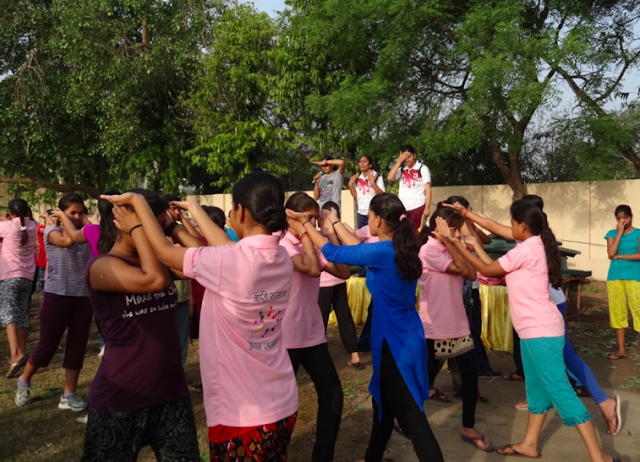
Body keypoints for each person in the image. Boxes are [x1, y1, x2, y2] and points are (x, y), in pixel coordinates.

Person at [103, 172, 300, 462]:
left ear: (241, 211)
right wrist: (180, 218)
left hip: (242, 415)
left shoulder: (231, 262)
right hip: (282, 403)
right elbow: (221, 249)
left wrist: (137, 209)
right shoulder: (280, 256)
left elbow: (166, 253)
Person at [456, 200, 620, 461]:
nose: (508, 228)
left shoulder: (528, 249)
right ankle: (530, 444)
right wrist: (471, 232)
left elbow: (486, 269)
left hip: (541, 332)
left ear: (522, 226)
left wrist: (456, 244)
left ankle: (598, 457)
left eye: (512, 224)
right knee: (537, 391)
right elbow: (495, 267)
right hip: (532, 332)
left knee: (562, 394)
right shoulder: (532, 243)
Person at [288, 192, 444, 462]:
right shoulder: (394, 246)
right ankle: (372, 457)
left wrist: (304, 227)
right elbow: (356, 248)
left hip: (397, 345)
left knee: (413, 421)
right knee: (381, 402)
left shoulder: (383, 251)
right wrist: (335, 224)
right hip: (399, 337)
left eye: (369, 216)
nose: (366, 220)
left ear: (380, 221)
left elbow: (337, 252)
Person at [81, 192, 199, 461]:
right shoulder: (102, 266)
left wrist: (171, 226)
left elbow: (204, 259)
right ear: (123, 223)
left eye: (158, 224)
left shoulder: (158, 262)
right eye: (151, 225)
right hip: (121, 398)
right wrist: (138, 227)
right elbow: (154, 281)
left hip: (171, 394)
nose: (159, 235)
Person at [417, 206, 493, 451]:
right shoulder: (429, 249)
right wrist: (453, 243)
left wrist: (453, 243)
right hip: (435, 328)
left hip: (458, 327)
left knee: (470, 378)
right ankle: (402, 417)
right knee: (422, 380)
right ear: (439, 227)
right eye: (454, 229)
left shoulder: (449, 247)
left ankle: (467, 427)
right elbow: (462, 269)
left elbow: (471, 272)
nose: (459, 234)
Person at [282, 192, 350, 462]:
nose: (312, 224)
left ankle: (322, 456)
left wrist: (330, 236)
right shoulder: (283, 245)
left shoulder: (309, 242)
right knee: (282, 405)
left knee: (333, 396)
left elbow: (343, 273)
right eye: (307, 219)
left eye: (314, 219)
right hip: (284, 338)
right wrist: (307, 235)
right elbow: (311, 269)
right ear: (291, 219)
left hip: (311, 335)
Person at [16, 194, 92, 411]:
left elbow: (89, 235)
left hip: (83, 298)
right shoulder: (52, 232)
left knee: (77, 348)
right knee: (46, 347)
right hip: (57, 296)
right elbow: (69, 240)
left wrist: (83, 222)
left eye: (81, 212)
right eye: (72, 213)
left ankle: (68, 394)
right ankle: (24, 380)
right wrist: (58, 220)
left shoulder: (86, 233)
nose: (78, 217)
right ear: (61, 214)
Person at [444, 196, 498, 377]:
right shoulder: (454, 230)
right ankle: (478, 367)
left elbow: (484, 241)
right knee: (470, 329)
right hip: (464, 287)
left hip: (470, 285)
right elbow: (471, 241)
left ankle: (469, 366)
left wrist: (469, 219)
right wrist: (464, 219)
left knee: (471, 328)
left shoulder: (465, 225)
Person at [318, 201, 362, 369]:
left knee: (320, 319)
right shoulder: (341, 233)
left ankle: (319, 355)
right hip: (340, 281)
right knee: (344, 316)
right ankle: (354, 354)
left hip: (324, 282)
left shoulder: (317, 234)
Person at [1, 199, 37, 379]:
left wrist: (3, 220)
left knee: (8, 314)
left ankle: (16, 354)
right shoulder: (33, 225)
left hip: (10, 275)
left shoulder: (7, 226)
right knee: (21, 314)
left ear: (10, 212)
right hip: (27, 277)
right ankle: (21, 354)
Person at [605, 204, 640, 361]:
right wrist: (619, 233)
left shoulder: (638, 233)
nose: (622, 220)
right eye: (619, 218)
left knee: (638, 308)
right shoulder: (611, 234)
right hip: (615, 278)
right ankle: (621, 350)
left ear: (631, 217)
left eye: (625, 217)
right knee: (617, 312)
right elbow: (611, 252)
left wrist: (619, 257)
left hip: (634, 276)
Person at [387, 145, 432, 230]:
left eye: (409, 157)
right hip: (403, 207)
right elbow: (390, 178)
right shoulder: (402, 170)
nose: (407, 159)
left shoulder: (422, 168)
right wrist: (399, 162)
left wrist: (427, 207)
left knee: (416, 233)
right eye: (404, 157)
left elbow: (428, 189)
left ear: (414, 155)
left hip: (417, 206)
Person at [348, 155, 385, 229]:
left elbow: (382, 195)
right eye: (360, 162)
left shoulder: (377, 177)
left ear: (370, 164)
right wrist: (350, 185)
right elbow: (357, 198)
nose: (362, 164)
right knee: (363, 237)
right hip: (361, 213)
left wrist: (373, 183)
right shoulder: (358, 178)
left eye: (364, 162)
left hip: (374, 212)